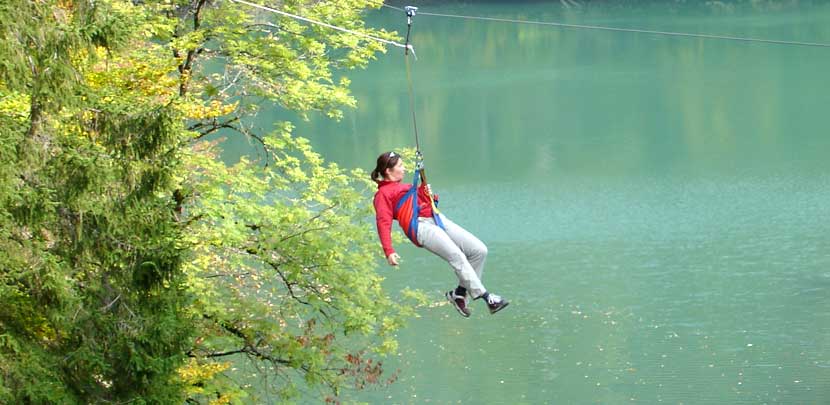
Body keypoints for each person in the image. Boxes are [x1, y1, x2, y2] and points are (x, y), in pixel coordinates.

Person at [371, 151, 509, 317]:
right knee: (456, 256)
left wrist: (425, 192)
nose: (404, 168)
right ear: (388, 170)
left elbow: (423, 203)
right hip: (420, 227)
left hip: (436, 219)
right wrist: (389, 250)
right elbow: (383, 222)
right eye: (400, 165)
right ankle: (487, 298)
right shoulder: (383, 195)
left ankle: (459, 294)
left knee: (479, 250)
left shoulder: (406, 187)